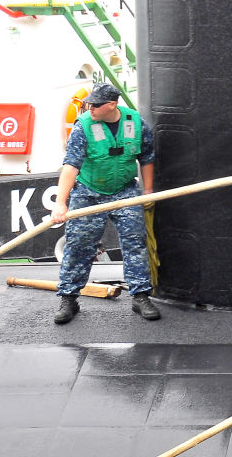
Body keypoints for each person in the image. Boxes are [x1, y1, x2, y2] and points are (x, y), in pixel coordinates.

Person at [50, 82, 159, 324]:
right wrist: (61, 203)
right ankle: (69, 298)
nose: (90, 108)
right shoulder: (83, 127)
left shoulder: (135, 123)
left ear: (112, 105)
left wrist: (148, 191)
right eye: (88, 104)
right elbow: (71, 166)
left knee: (135, 243)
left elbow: (147, 157)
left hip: (125, 190)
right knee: (78, 245)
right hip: (88, 193)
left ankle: (140, 296)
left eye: (95, 105)